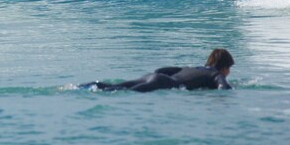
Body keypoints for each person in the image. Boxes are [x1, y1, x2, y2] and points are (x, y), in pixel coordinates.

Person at [81, 48, 235, 92]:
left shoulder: (191, 68)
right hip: (163, 82)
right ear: (224, 67)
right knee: (121, 91)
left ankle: (82, 86)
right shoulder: (215, 74)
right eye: (229, 69)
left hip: (153, 76)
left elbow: (161, 69)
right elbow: (223, 88)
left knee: (115, 86)